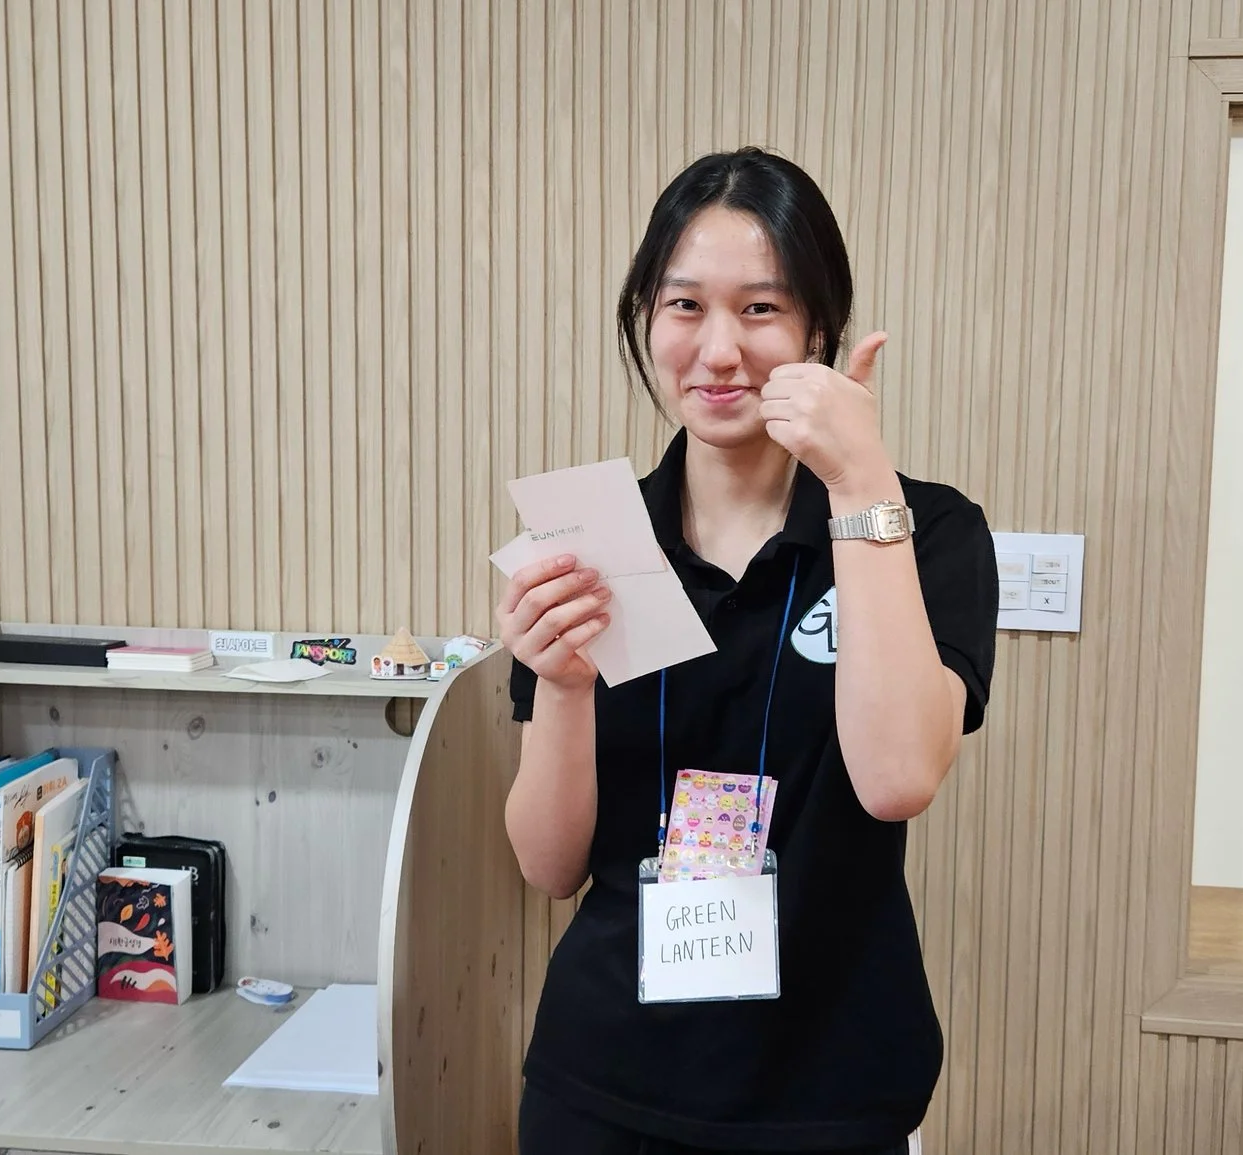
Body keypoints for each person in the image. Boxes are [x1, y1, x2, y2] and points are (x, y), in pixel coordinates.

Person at [496, 147, 999, 1154]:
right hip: (602, 1083)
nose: (719, 349)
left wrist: (860, 484)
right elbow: (548, 866)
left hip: (831, 1090)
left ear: (819, 329)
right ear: (646, 318)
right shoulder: (592, 540)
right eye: (684, 305)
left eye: (760, 309)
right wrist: (562, 685)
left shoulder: (925, 530)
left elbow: (898, 778)